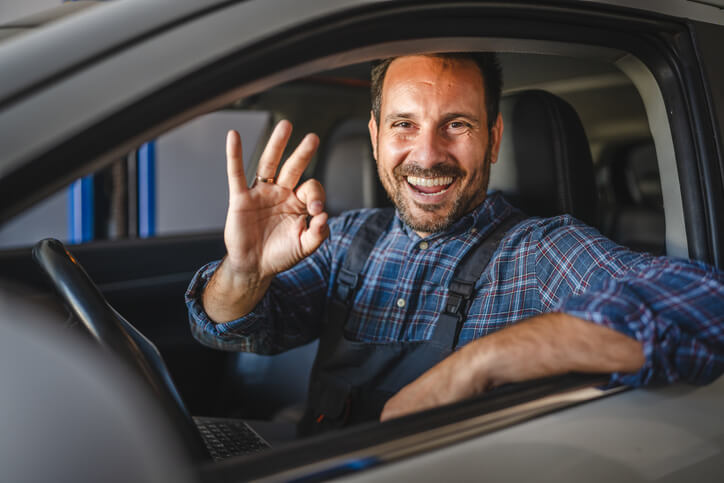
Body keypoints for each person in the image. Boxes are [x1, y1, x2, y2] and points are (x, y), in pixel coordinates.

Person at [186, 53, 724, 433]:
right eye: (404, 124)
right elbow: (228, 331)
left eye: (457, 125)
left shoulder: (539, 252)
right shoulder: (342, 239)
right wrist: (245, 272)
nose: (428, 154)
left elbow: (708, 305)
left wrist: (475, 365)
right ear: (374, 138)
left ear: (492, 140)